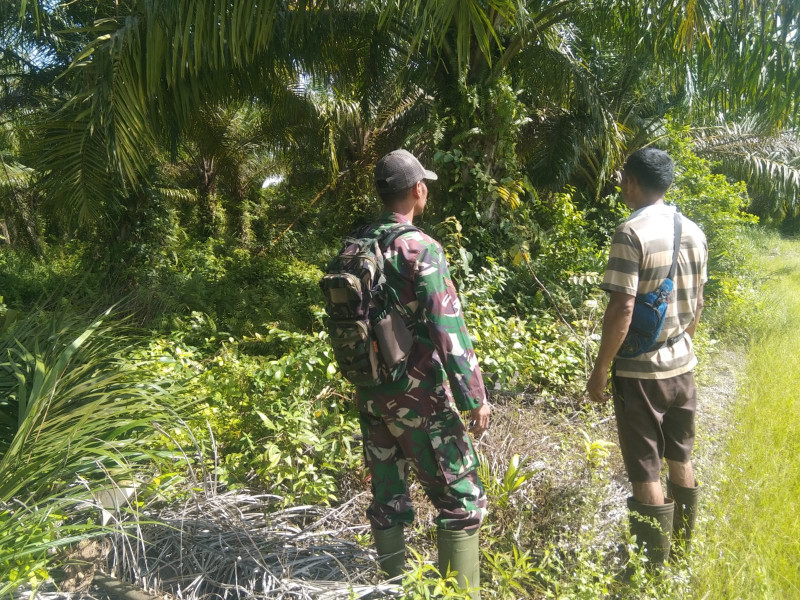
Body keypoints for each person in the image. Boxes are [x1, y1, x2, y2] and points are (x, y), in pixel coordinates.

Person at [357, 149, 490, 598]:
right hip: (420, 400)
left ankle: (391, 588)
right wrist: (474, 397)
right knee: (462, 500)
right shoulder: (421, 248)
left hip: (371, 397)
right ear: (418, 189)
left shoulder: (355, 246)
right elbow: (447, 327)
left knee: (388, 502)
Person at [587, 147, 708, 569]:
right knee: (681, 458)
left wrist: (601, 370)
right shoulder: (693, 230)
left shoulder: (630, 232)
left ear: (634, 182)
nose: (621, 185)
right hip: (683, 367)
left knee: (645, 471)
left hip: (641, 374)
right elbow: (697, 303)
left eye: (624, 178)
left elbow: (621, 309)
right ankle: (681, 554)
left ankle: (651, 570)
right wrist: (682, 344)